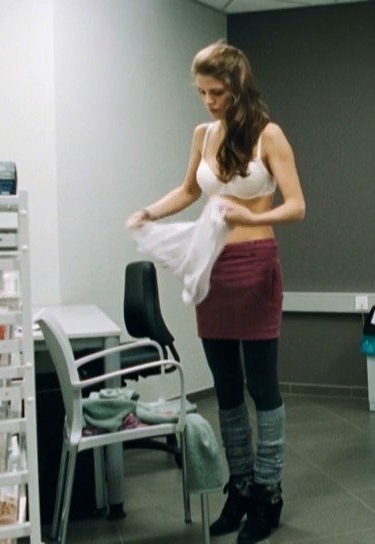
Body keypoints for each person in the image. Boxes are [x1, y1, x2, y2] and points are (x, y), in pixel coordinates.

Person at [127, 40, 304, 544]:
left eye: (217, 92)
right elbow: (189, 191)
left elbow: (296, 205)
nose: (209, 101)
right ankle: (240, 488)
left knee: (261, 387)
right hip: (212, 268)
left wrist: (249, 213)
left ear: (238, 87)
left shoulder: (268, 135)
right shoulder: (203, 135)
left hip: (256, 265)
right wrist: (149, 212)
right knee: (226, 387)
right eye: (202, 92)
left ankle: (268, 495)